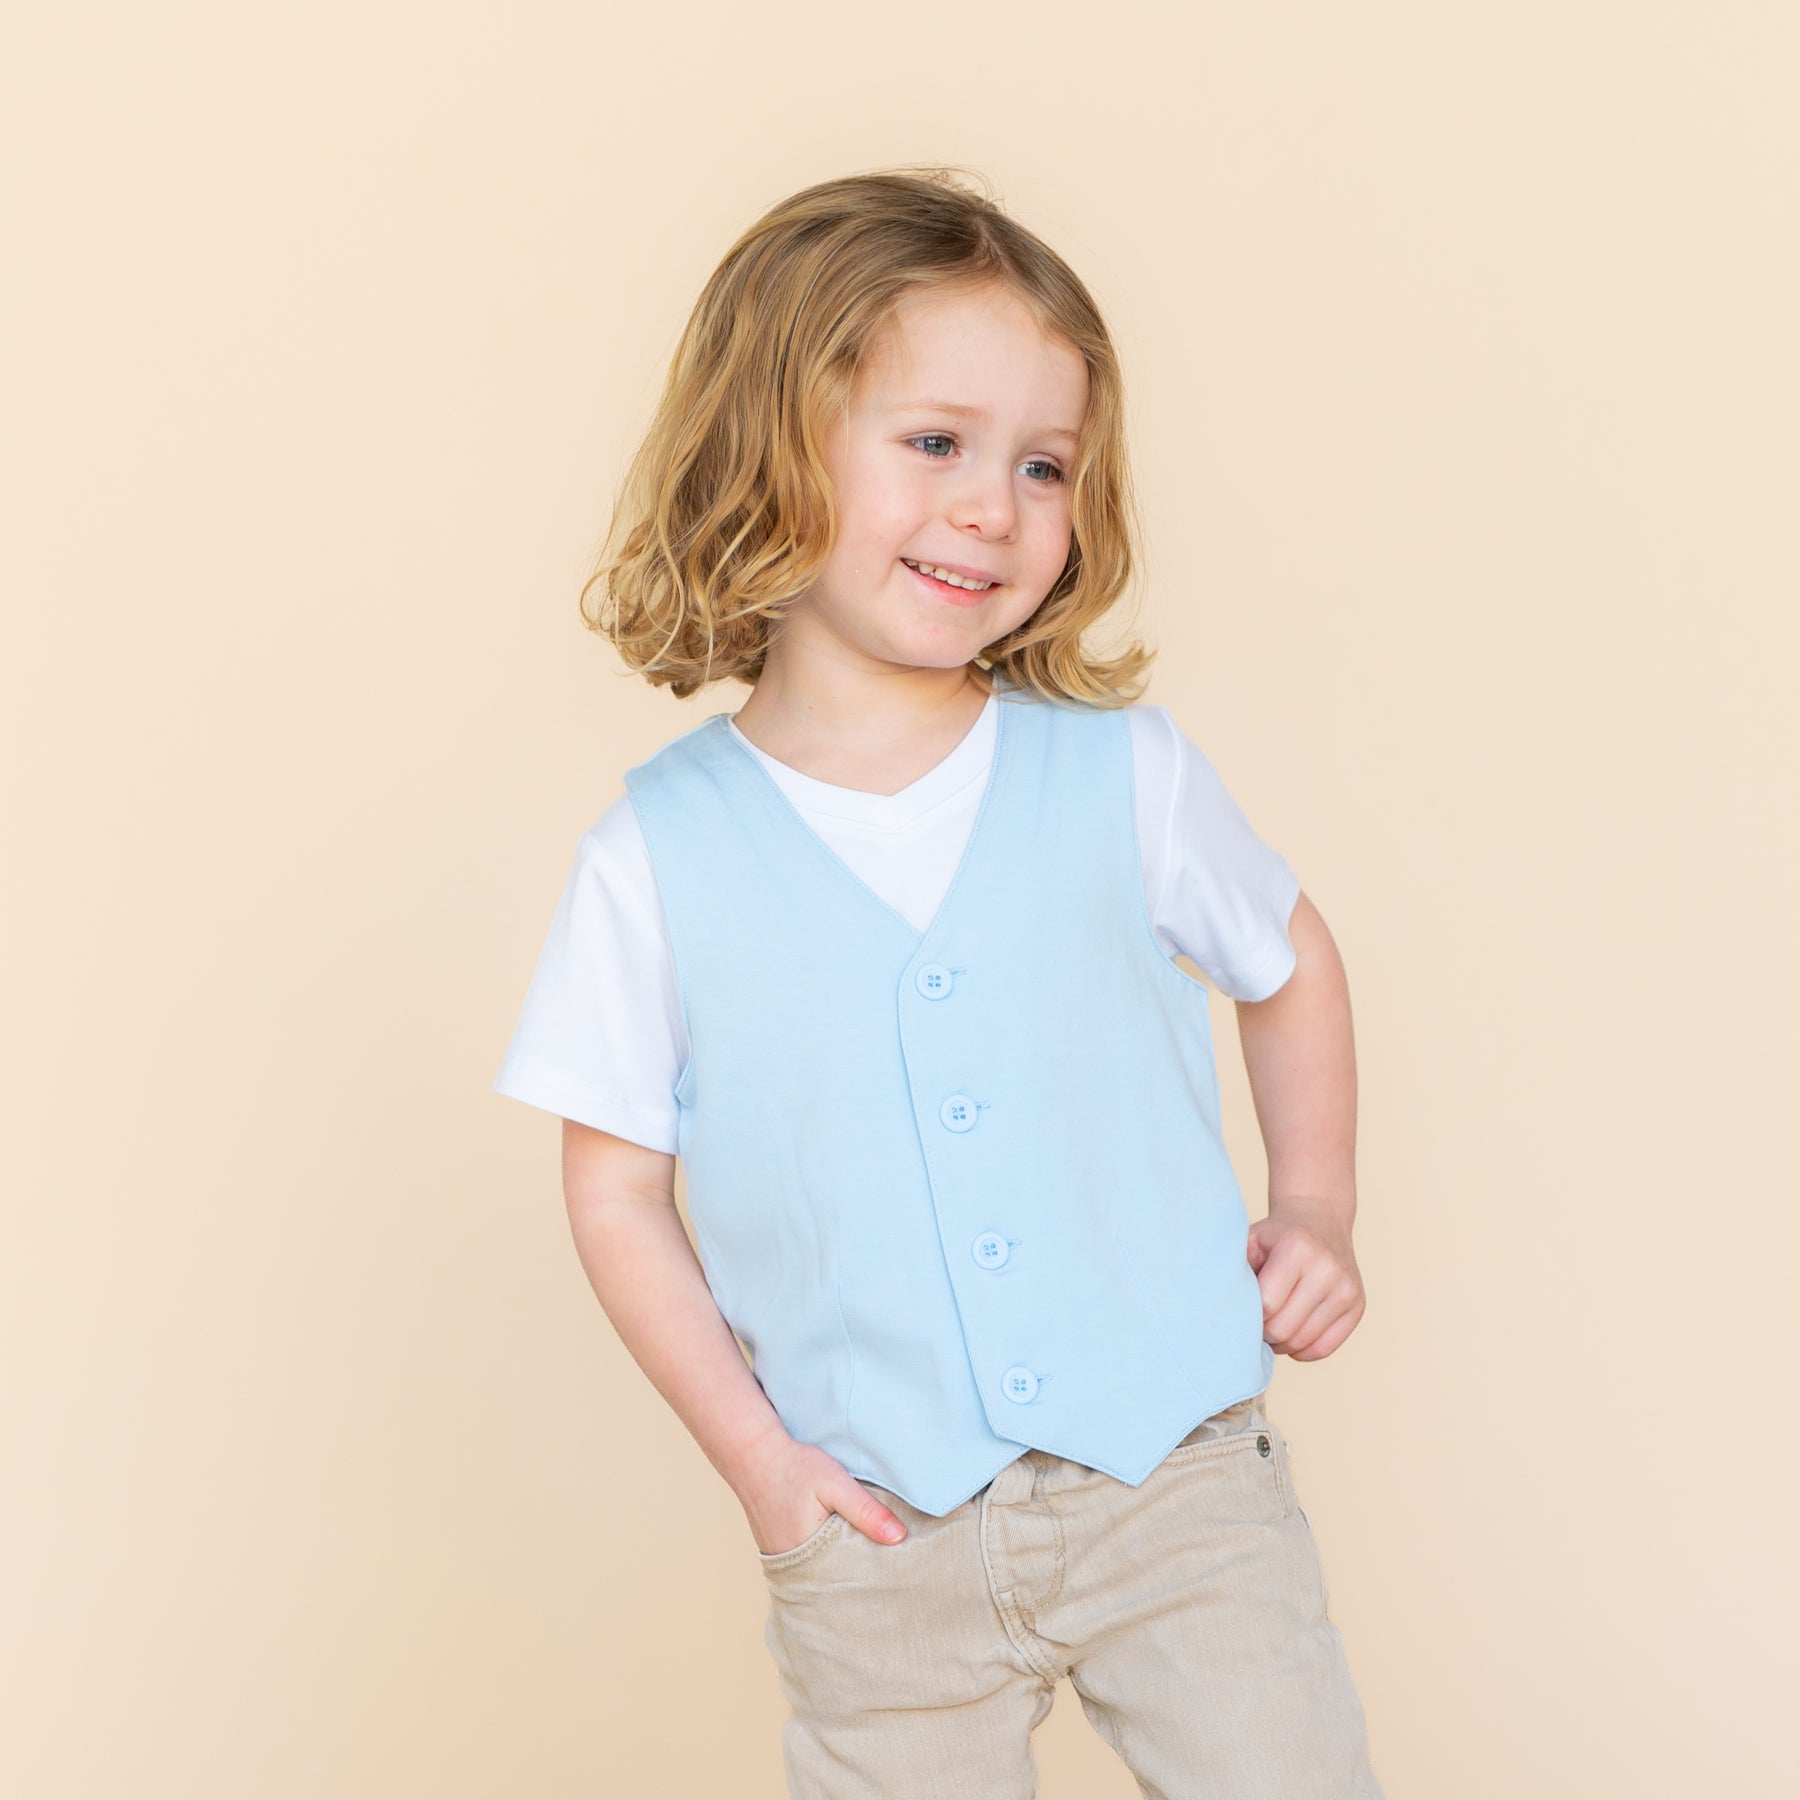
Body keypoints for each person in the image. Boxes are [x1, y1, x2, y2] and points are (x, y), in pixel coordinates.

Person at [493, 166, 1385, 1798]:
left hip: (1176, 1478)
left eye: (1044, 465)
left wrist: (1313, 1206)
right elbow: (617, 1195)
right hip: (879, 1528)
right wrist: (762, 1469)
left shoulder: (1124, 776)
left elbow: (1292, 958)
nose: (996, 505)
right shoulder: (654, 858)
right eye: (936, 444)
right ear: (771, 446)